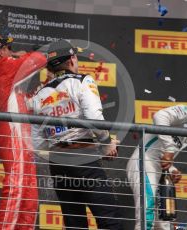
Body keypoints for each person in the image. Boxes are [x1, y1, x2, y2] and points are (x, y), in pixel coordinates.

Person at [31, 39, 123, 229]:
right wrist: (106, 143)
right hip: (84, 158)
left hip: (57, 163)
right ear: (72, 59)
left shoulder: (39, 96)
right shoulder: (82, 81)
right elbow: (94, 119)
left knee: (75, 224)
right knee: (109, 219)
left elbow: (37, 142)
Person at [0, 34, 47, 230]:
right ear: (1, 52)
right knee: (16, 190)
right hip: (12, 136)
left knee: (29, 195)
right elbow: (39, 59)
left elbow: (24, 103)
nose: (11, 51)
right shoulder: (0, 67)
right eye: (9, 49)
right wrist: (34, 52)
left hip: (18, 138)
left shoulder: (4, 77)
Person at [126, 99, 187, 230]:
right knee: (147, 212)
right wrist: (170, 149)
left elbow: (162, 155)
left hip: (155, 169)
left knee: (163, 221)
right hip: (143, 161)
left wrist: (172, 170)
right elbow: (159, 116)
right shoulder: (186, 112)